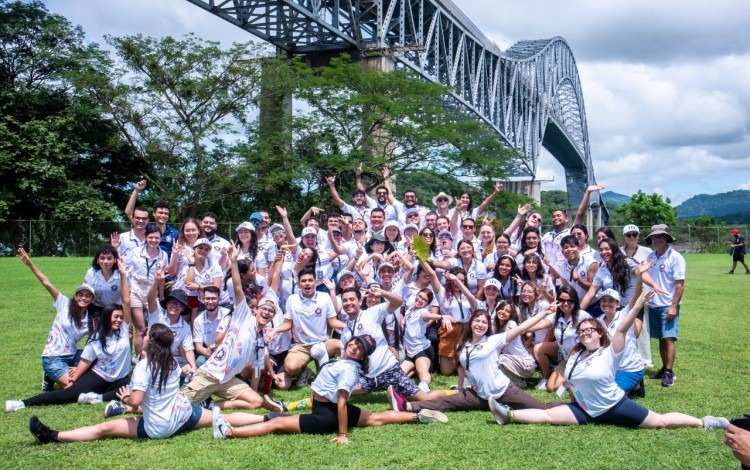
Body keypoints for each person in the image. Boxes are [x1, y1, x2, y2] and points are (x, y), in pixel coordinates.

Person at [489, 289, 729, 431]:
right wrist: (575, 404)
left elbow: (623, 328)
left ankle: (705, 422)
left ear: (600, 333)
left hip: (615, 406)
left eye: (590, 329)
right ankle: (506, 414)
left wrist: (635, 306)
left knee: (660, 422)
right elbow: (572, 387)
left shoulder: (609, 351)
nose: (585, 332)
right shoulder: (574, 356)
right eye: (581, 331)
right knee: (549, 416)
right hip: (587, 410)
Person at [27, 323, 261, 443]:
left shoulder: (144, 366)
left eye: (147, 334)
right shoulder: (170, 361)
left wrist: (125, 397)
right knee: (224, 417)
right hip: (184, 414)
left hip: (160, 427)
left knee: (104, 429)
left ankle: (54, 435)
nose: (144, 336)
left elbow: (136, 401)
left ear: (152, 341)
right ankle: (267, 418)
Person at [212, 335, 448, 441]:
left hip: (325, 415)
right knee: (376, 418)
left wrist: (343, 434)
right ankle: (418, 417)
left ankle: (228, 432)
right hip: (329, 407)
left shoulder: (348, 369)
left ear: (362, 356)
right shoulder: (343, 362)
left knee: (275, 423)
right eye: (354, 343)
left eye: (360, 349)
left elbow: (343, 402)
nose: (354, 347)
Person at [387, 309, 563, 420]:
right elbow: (463, 369)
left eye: (484, 322)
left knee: (541, 408)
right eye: (477, 321)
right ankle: (407, 406)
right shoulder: (462, 346)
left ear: (488, 326)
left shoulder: (493, 341)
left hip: (503, 391)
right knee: (447, 402)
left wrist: (544, 312)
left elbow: (521, 328)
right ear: (471, 323)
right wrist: (462, 389)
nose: (480, 324)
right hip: (479, 395)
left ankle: (570, 408)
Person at [7, 260, 132, 412]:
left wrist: (123, 275)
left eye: (120, 317)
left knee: (134, 386)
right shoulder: (94, 335)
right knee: (70, 393)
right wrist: (74, 380)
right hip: (63, 360)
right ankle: (22, 403)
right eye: (115, 317)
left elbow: (126, 300)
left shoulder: (122, 328)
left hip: (95, 366)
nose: (119, 320)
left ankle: (97, 397)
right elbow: (86, 360)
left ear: (93, 300)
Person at [15, 248, 97, 392]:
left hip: (73, 355)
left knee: (96, 361)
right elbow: (46, 283)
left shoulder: (90, 319)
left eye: (87, 296)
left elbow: (95, 342)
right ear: (75, 296)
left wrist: (79, 367)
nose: (83, 298)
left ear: (92, 300)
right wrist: (29, 263)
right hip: (53, 358)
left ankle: (57, 376)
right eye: (80, 294)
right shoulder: (64, 303)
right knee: (75, 389)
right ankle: (50, 374)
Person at [644, 224, 685, 387]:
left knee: (668, 338)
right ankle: (663, 368)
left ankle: (669, 372)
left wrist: (673, 306)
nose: (657, 239)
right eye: (654, 237)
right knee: (660, 338)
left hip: (668, 304)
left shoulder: (675, 257)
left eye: (660, 236)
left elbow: (680, 284)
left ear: (667, 238)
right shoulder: (651, 257)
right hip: (654, 304)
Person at [122, 225, 168, 359]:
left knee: (153, 328)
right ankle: (138, 358)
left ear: (161, 239)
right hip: (136, 291)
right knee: (141, 328)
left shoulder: (163, 255)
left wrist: (162, 295)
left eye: (157, 238)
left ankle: (152, 355)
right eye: (151, 237)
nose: (154, 240)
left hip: (152, 293)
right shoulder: (135, 252)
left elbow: (162, 278)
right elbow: (123, 267)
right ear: (146, 238)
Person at [123, 180, 179, 259]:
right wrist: (136, 191)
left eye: (166, 213)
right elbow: (128, 213)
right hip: (147, 266)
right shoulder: (146, 228)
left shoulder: (175, 233)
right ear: (154, 214)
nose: (163, 215)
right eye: (160, 212)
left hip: (165, 268)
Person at [83, 243, 122, 315]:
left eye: (109, 258)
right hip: (96, 309)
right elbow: (85, 293)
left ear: (115, 260)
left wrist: (128, 321)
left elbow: (127, 298)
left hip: (116, 310)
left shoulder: (121, 273)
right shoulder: (91, 272)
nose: (106, 261)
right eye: (102, 258)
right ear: (97, 260)